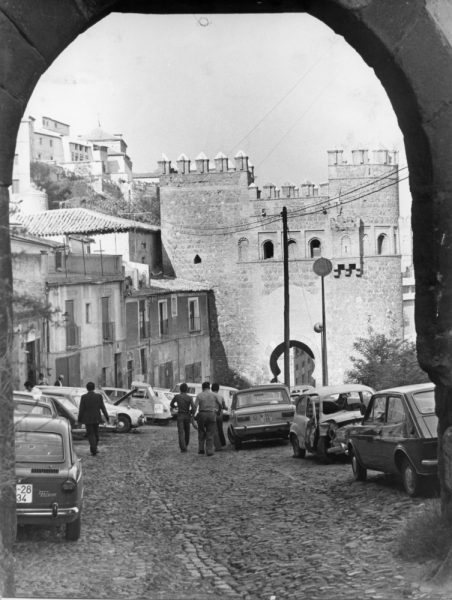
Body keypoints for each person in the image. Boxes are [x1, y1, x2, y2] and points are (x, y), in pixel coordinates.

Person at [78, 382, 109, 456]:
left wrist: (79, 419)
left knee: (91, 434)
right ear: (94, 388)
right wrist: (107, 417)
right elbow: (103, 407)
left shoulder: (84, 397)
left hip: (87, 419)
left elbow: (81, 409)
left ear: (87, 388)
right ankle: (94, 448)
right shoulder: (99, 396)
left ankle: (93, 448)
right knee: (96, 433)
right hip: (96, 418)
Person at [194, 381, 222, 456]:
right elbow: (220, 405)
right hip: (212, 415)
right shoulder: (213, 395)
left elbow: (195, 406)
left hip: (202, 415)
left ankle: (201, 449)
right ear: (209, 387)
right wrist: (218, 412)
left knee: (201, 432)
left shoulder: (199, 395)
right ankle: (209, 451)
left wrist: (193, 415)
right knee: (210, 433)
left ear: (202, 388)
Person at [170, 382, 196, 452]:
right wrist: (191, 412)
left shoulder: (177, 396)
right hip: (187, 416)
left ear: (180, 389)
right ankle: (186, 445)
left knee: (181, 432)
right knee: (187, 432)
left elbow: (171, 404)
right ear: (187, 389)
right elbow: (193, 409)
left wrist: (175, 406)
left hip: (180, 416)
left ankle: (183, 447)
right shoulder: (189, 398)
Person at [211, 382, 226, 450]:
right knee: (220, 429)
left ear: (211, 388)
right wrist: (226, 408)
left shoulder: (210, 396)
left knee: (214, 430)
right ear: (218, 389)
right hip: (220, 414)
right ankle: (223, 442)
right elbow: (224, 406)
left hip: (213, 413)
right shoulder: (221, 396)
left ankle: (217, 444)